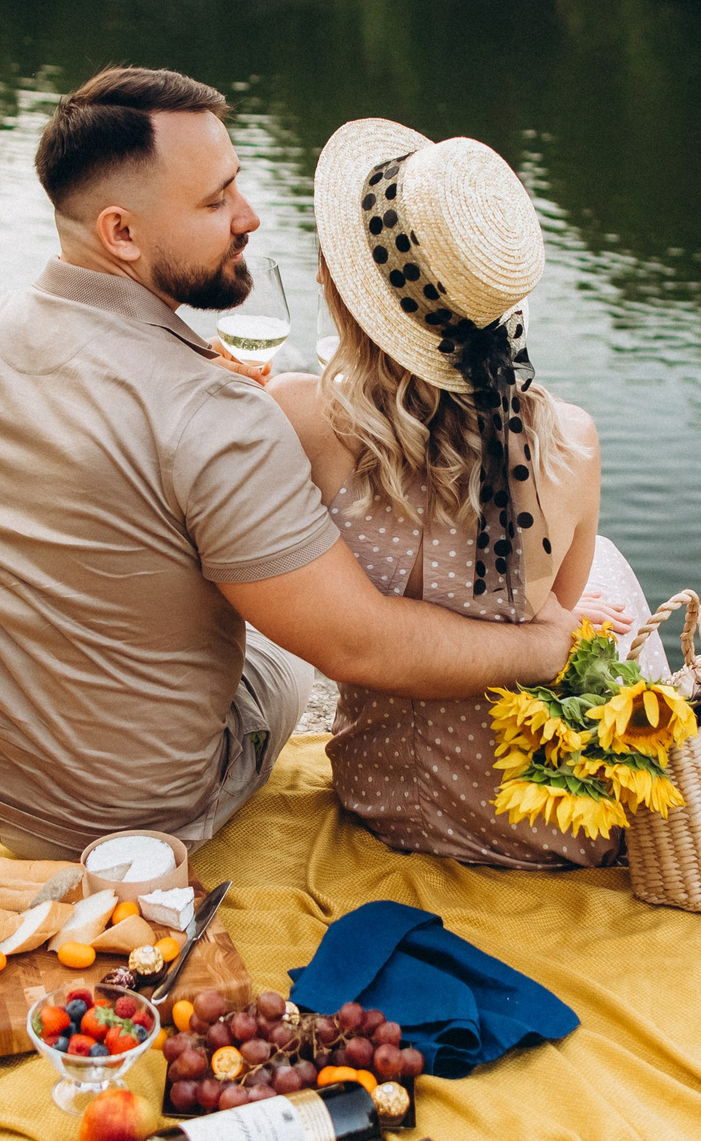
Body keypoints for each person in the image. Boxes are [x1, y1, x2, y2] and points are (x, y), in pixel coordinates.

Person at [0, 68, 583, 858]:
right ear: (122, 233)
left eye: (235, 185)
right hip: (115, 816)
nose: (248, 217)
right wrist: (546, 646)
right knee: (283, 645)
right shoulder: (219, 419)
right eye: (215, 202)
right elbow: (361, 646)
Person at [266, 120, 669, 870]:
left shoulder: (302, 419)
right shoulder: (570, 444)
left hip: (377, 797)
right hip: (542, 822)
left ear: (342, 292)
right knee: (600, 573)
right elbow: (560, 604)